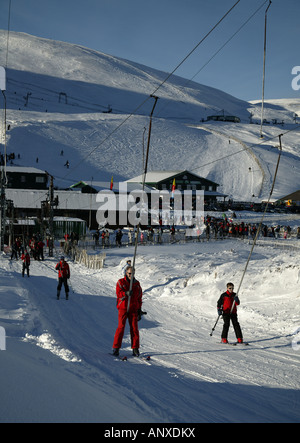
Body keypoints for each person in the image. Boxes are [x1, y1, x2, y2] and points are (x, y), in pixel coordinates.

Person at [112, 266, 143, 356]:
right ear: (126, 273)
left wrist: (139, 309)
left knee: (134, 328)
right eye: (129, 273)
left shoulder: (137, 284)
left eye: (132, 273)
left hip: (133, 309)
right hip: (123, 308)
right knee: (121, 327)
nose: (131, 275)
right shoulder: (121, 282)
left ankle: (135, 348)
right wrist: (125, 293)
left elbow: (139, 297)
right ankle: (116, 348)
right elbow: (118, 294)